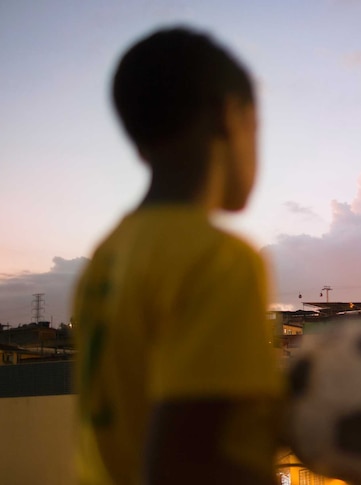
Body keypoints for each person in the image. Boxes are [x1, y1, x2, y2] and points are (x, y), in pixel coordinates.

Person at [73, 26, 281, 485]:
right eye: (256, 126)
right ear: (228, 116)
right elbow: (187, 463)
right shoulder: (219, 258)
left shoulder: (107, 257)